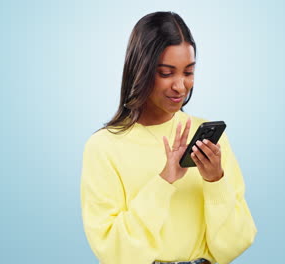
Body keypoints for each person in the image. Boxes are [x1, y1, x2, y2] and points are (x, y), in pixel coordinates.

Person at [80, 11, 257, 264]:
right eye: (166, 73)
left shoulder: (209, 140)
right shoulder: (103, 147)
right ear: (140, 70)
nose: (180, 86)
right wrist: (165, 181)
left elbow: (235, 244)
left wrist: (215, 181)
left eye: (188, 72)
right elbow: (113, 252)